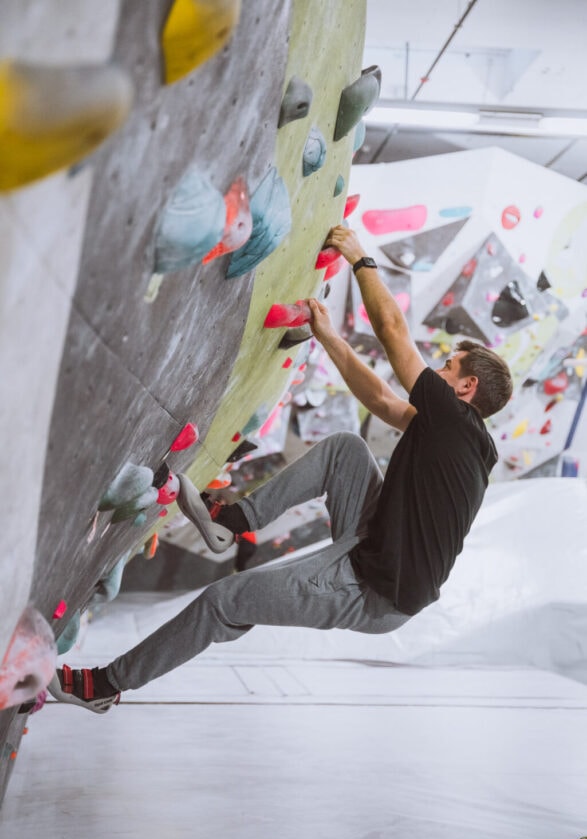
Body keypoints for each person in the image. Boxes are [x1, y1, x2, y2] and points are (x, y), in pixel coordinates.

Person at [48, 225, 513, 713]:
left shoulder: (456, 423)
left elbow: (394, 332)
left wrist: (361, 260)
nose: (437, 371)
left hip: (373, 589)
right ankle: (232, 523)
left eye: (447, 367)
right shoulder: (454, 437)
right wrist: (329, 337)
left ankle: (105, 685)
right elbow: (380, 398)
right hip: (375, 543)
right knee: (347, 450)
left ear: (466, 389)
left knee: (222, 602)